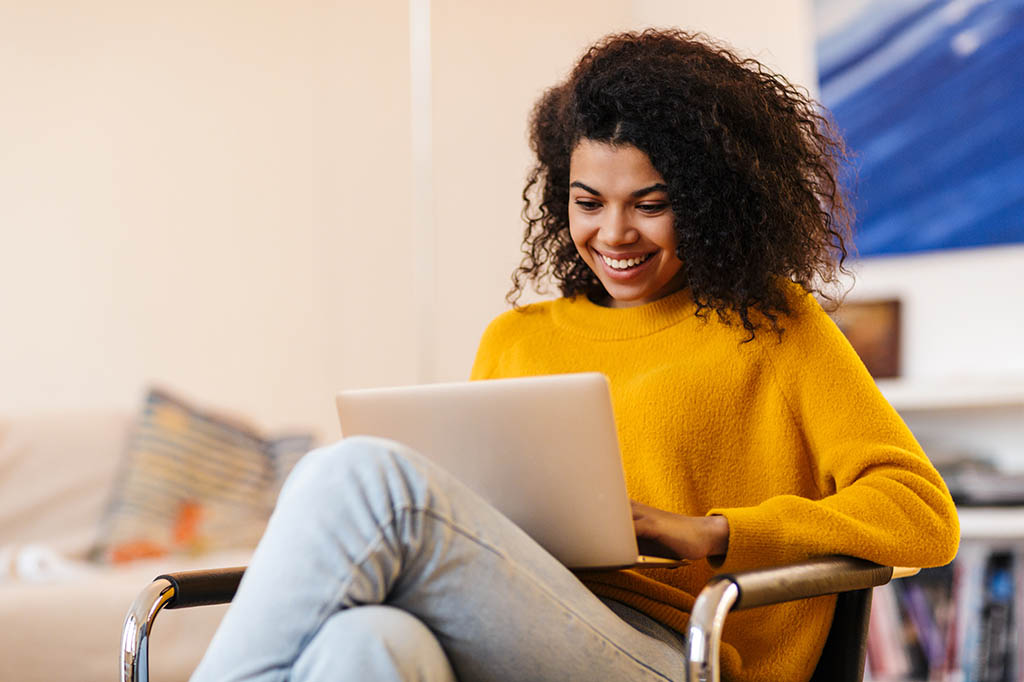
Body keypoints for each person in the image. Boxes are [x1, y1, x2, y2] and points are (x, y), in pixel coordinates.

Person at [190, 29, 959, 682]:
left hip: (678, 650)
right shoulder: (516, 338)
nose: (614, 234)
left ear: (712, 200)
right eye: (588, 201)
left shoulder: (772, 326)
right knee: (367, 644)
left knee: (358, 475)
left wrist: (716, 532)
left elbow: (923, 515)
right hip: (528, 619)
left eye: (650, 204)